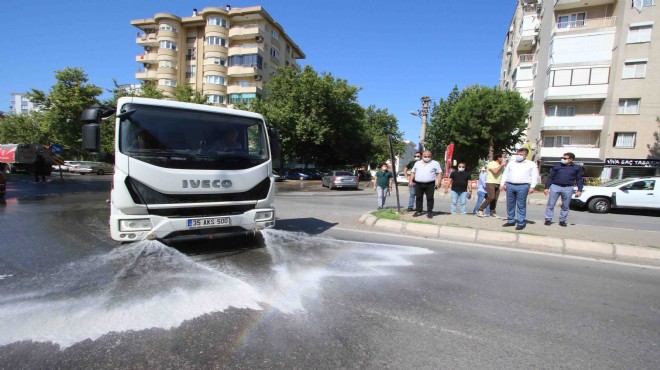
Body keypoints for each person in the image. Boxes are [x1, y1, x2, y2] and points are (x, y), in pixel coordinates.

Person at [500, 148, 539, 230]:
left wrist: (532, 186)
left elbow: (534, 176)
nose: (519, 156)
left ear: (526, 155)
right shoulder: (511, 163)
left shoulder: (531, 164)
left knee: (521, 204)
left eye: (521, 154)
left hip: (523, 186)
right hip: (510, 185)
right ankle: (511, 220)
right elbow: (505, 174)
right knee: (510, 204)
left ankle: (521, 222)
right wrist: (502, 184)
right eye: (518, 154)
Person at [544, 152, 583, 227]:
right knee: (551, 204)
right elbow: (551, 177)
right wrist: (546, 187)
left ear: (571, 159)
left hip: (568, 188)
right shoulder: (557, 166)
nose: (562, 159)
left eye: (565, 158)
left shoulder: (577, 168)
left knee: (565, 205)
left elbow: (579, 179)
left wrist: (579, 190)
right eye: (562, 158)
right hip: (555, 186)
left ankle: (562, 220)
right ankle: (548, 219)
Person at [409, 150, 443, 219]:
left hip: (430, 184)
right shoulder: (417, 163)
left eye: (428, 156)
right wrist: (410, 181)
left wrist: (439, 182)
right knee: (418, 197)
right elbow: (413, 172)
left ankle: (430, 212)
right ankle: (419, 210)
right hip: (418, 183)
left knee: (430, 198)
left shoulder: (435, 163)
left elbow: (439, 173)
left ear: (431, 156)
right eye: (425, 156)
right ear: (422, 156)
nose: (427, 157)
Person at [476, 152, 506, 218]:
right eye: (502, 157)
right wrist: (501, 166)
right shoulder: (491, 163)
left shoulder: (501, 164)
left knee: (495, 199)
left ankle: (492, 212)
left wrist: (504, 184)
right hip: (490, 182)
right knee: (491, 197)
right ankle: (480, 210)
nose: (503, 159)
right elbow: (495, 172)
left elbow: (503, 174)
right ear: (498, 158)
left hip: (498, 183)